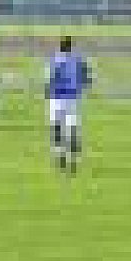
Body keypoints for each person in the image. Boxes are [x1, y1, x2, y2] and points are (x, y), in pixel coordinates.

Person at [46, 36, 91, 174]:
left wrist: (48, 91)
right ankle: (73, 159)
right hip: (72, 98)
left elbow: (51, 78)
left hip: (57, 97)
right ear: (71, 47)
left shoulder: (56, 59)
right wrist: (81, 87)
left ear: (60, 47)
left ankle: (60, 154)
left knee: (57, 127)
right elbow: (86, 78)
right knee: (72, 129)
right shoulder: (78, 60)